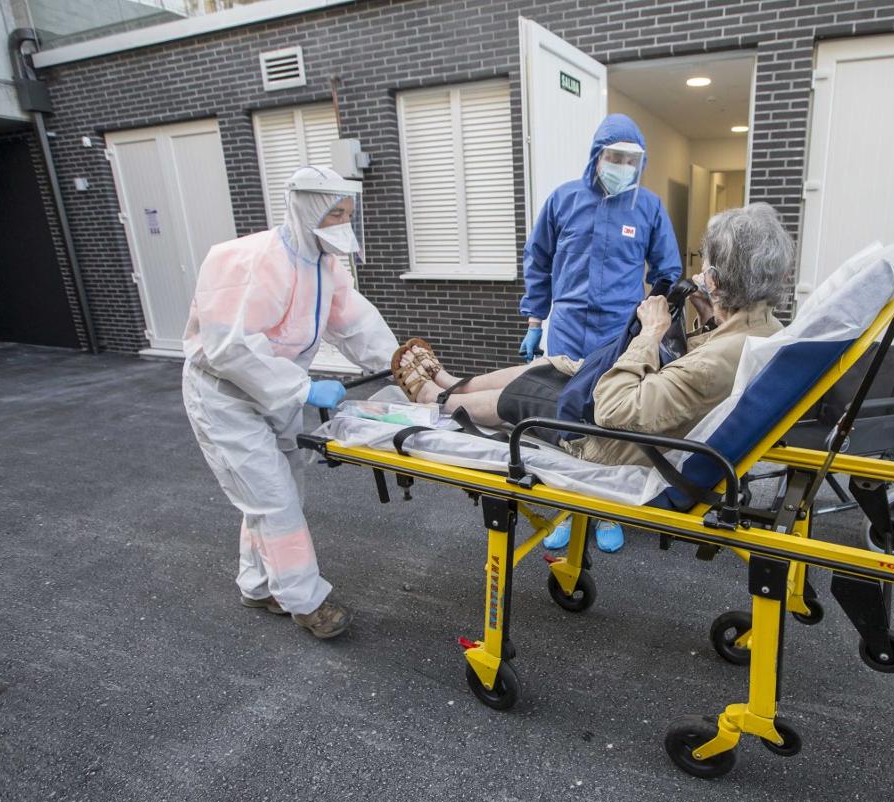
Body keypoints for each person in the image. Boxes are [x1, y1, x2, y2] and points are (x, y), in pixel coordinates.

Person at [393, 202, 791, 474]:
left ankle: (437, 400)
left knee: (524, 395)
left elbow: (614, 411)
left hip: (607, 442)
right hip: (644, 413)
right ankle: (449, 382)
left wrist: (650, 334)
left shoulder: (715, 363)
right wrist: (708, 317)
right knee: (553, 365)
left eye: (705, 267)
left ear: (717, 281)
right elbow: (696, 379)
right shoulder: (764, 327)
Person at [182, 166, 397, 639]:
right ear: (306, 211)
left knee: (274, 495)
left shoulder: (323, 265)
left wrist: (402, 369)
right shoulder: (246, 260)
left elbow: (355, 322)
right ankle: (304, 601)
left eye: (348, 213)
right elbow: (228, 345)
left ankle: (257, 584)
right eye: (333, 213)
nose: (343, 221)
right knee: (272, 499)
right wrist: (303, 389)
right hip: (225, 396)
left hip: (275, 391)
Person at [519, 113, 685, 552]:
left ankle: (606, 511)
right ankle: (566, 508)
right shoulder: (563, 200)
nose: (622, 166)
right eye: (614, 157)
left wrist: (650, 320)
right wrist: (535, 321)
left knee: (608, 419)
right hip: (568, 326)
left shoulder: (647, 207)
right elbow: (538, 260)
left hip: (618, 330)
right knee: (562, 418)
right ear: (597, 155)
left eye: (631, 160)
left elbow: (668, 270)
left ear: (640, 163)